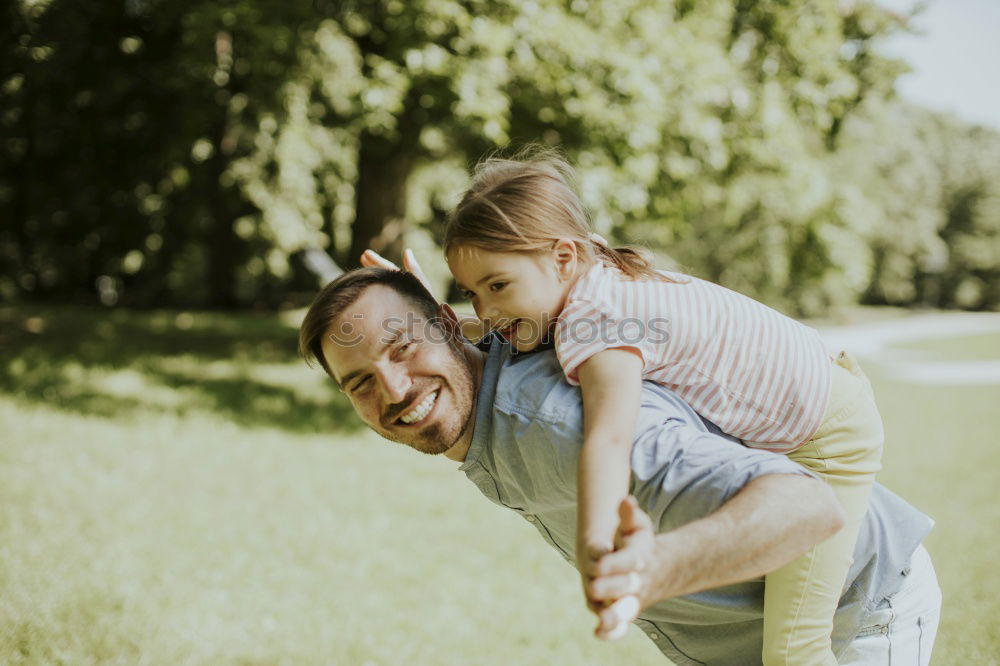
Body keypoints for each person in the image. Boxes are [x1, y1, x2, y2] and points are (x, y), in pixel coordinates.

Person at [297, 266, 941, 665]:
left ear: (446, 324)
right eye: (360, 382)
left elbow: (808, 504)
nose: (394, 389)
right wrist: (406, 318)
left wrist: (658, 568)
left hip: (856, 611)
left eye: (403, 346)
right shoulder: (501, 356)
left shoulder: (559, 424)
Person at [438, 149, 884, 663]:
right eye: (472, 293)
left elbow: (608, 439)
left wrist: (594, 546)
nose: (486, 310)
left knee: (793, 651)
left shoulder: (598, 324)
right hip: (829, 385)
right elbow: (521, 325)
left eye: (497, 285)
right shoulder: (592, 269)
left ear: (563, 257)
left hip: (830, 438)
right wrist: (434, 322)